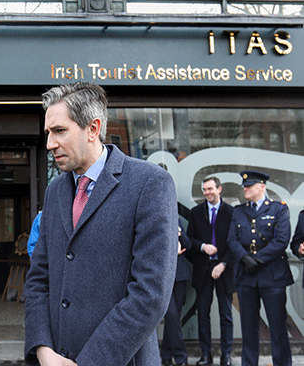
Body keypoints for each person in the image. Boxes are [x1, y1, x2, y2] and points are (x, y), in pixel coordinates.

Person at [24, 81, 178, 366]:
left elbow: (150, 295)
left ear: (93, 129)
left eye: (59, 131)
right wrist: (43, 350)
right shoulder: (56, 190)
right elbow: (38, 280)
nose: (49, 144)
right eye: (48, 132)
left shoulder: (150, 184)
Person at [227, 170, 293, 366]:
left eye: (250, 186)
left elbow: (281, 240)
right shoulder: (238, 211)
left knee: (277, 326)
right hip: (246, 276)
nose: (245, 189)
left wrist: (256, 259)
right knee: (248, 327)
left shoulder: (279, 209)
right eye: (244, 186)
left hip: (272, 275)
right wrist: (245, 257)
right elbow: (231, 239)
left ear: (262, 187)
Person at [186, 177, 234, 366]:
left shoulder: (231, 212)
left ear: (219, 189)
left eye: (211, 189)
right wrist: (203, 246)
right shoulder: (196, 212)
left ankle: (226, 355)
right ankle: (206, 355)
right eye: (204, 189)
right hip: (203, 270)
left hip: (225, 270)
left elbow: (235, 242)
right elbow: (190, 240)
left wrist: (223, 264)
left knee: (226, 316)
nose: (207, 193)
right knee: (203, 314)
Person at [160, 221, 192, 366]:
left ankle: (166, 354)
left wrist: (179, 232)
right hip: (162, 275)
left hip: (179, 276)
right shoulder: (157, 221)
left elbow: (188, 245)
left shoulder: (177, 223)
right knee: (171, 315)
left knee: (174, 318)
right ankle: (181, 357)